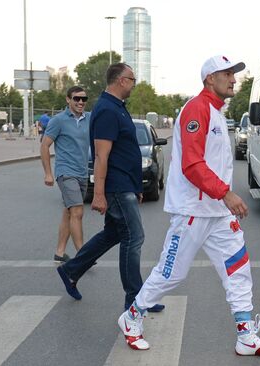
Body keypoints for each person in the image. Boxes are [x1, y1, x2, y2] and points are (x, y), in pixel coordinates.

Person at [117, 55, 260, 357]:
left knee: (238, 270)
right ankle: (131, 317)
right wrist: (227, 194)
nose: (234, 79)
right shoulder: (197, 109)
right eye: (228, 74)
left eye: (234, 74)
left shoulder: (217, 113)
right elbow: (192, 165)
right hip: (193, 212)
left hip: (218, 214)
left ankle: (246, 335)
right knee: (172, 274)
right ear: (210, 78)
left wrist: (223, 199)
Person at [56, 63, 164, 314]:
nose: (134, 84)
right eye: (132, 79)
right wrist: (100, 194)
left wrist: (137, 185)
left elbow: (125, 151)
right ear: (121, 80)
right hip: (116, 186)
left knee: (113, 234)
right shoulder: (106, 110)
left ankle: (71, 270)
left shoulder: (118, 108)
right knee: (134, 237)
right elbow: (102, 156)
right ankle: (135, 299)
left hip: (126, 184)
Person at [41, 86, 91, 263]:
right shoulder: (59, 120)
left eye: (83, 99)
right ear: (68, 100)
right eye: (76, 99)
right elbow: (45, 145)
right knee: (77, 211)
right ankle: (83, 256)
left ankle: (59, 253)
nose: (80, 102)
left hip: (82, 172)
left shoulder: (89, 119)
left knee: (69, 212)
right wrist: (48, 173)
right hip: (66, 172)